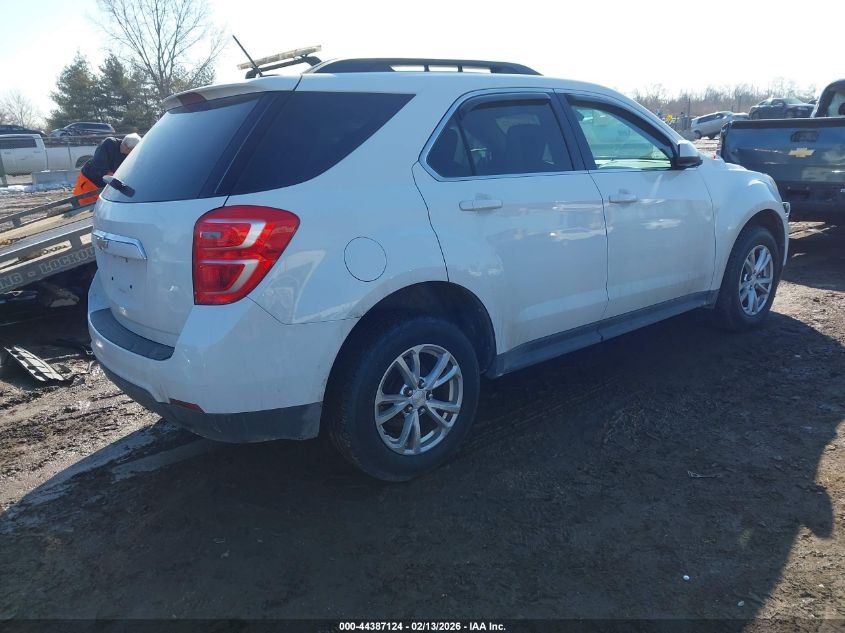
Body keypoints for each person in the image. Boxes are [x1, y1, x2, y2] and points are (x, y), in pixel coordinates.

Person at [72, 133, 141, 205]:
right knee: (82, 205)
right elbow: (99, 162)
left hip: (106, 185)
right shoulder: (109, 143)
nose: (125, 149)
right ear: (123, 141)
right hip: (90, 181)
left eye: (129, 149)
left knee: (97, 206)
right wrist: (113, 177)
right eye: (125, 145)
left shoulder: (130, 155)